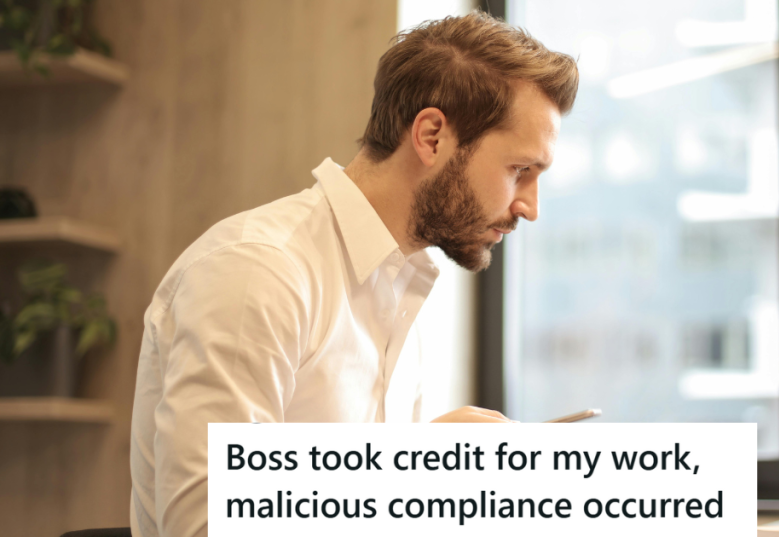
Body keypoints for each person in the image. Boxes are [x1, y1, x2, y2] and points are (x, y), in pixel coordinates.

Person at [129, 11, 578, 537]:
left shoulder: (396, 290)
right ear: (432, 137)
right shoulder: (258, 271)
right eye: (519, 170)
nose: (530, 207)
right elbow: (204, 523)